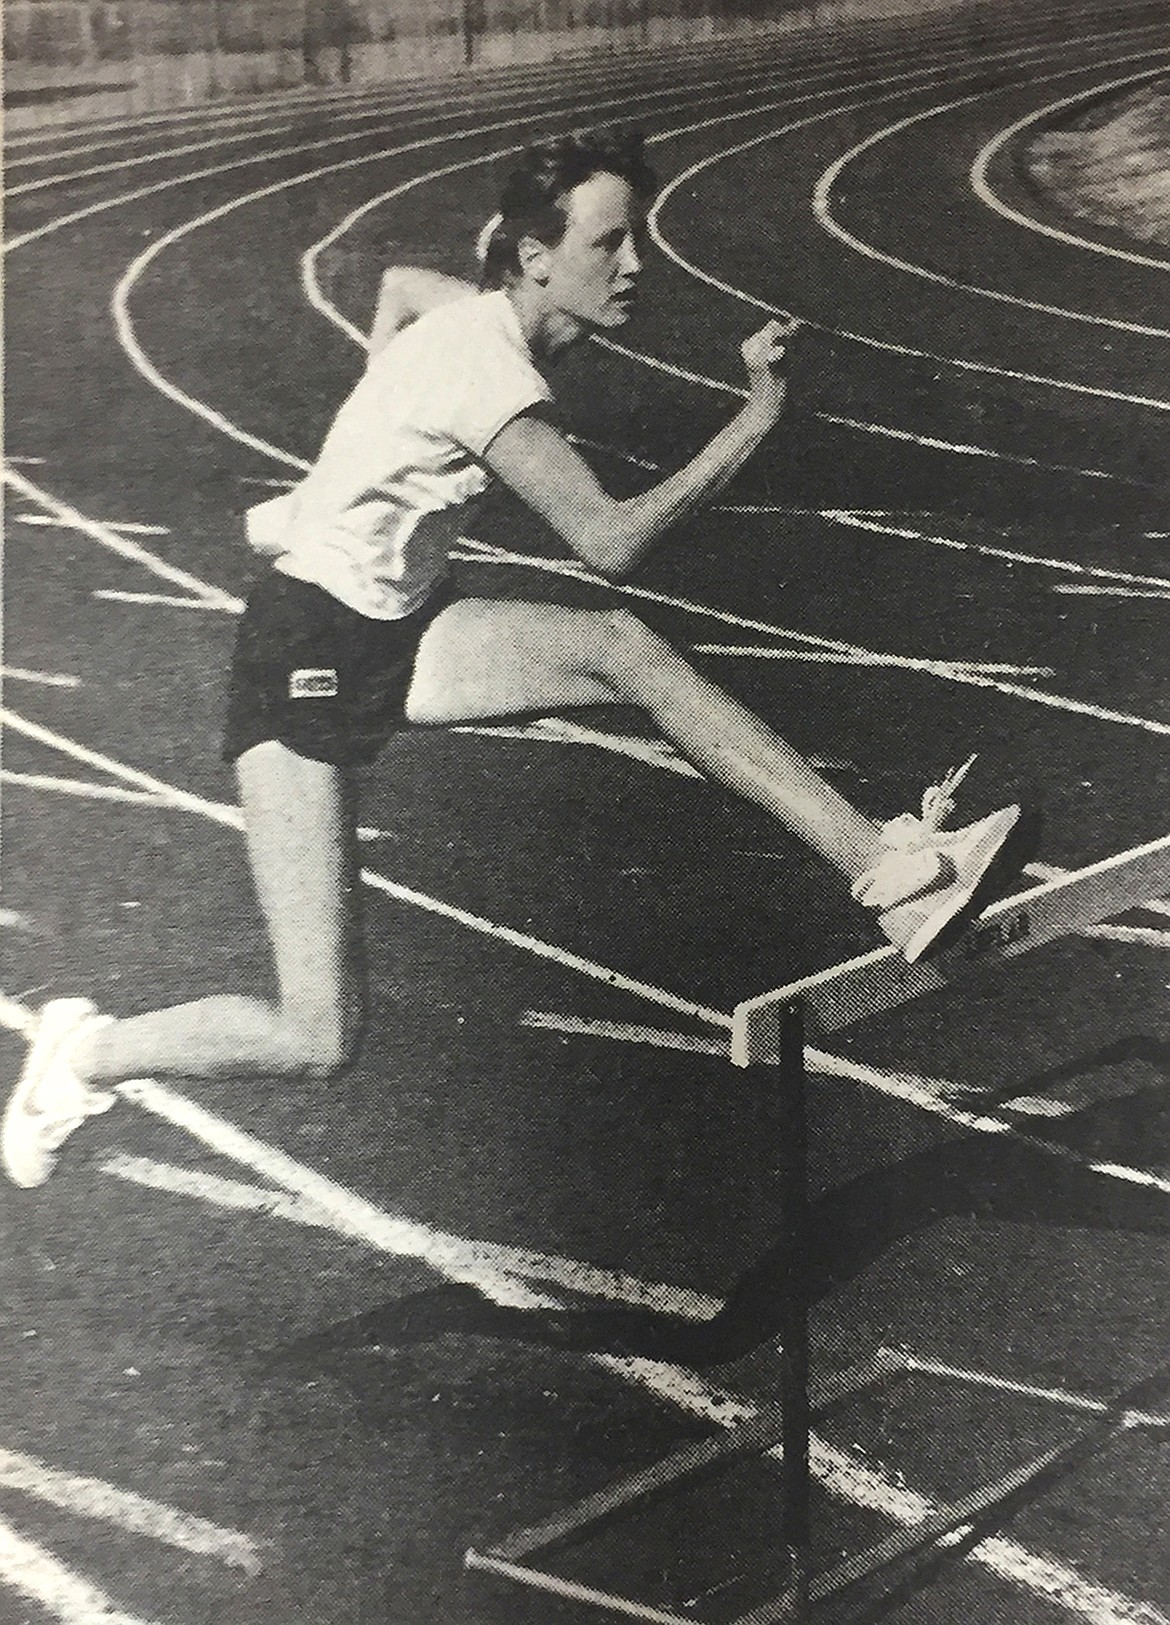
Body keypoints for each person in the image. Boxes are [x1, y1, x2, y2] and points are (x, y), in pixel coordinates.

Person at [3, 125, 1023, 1190]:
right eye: (609, 243)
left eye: (636, 241)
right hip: (303, 648)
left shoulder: (474, 313)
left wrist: (355, 447)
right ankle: (85, 1052)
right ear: (537, 255)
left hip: (396, 622)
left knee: (625, 652)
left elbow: (399, 285)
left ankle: (889, 874)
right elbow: (611, 542)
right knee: (317, 1033)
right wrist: (756, 418)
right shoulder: (488, 369)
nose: (634, 266)